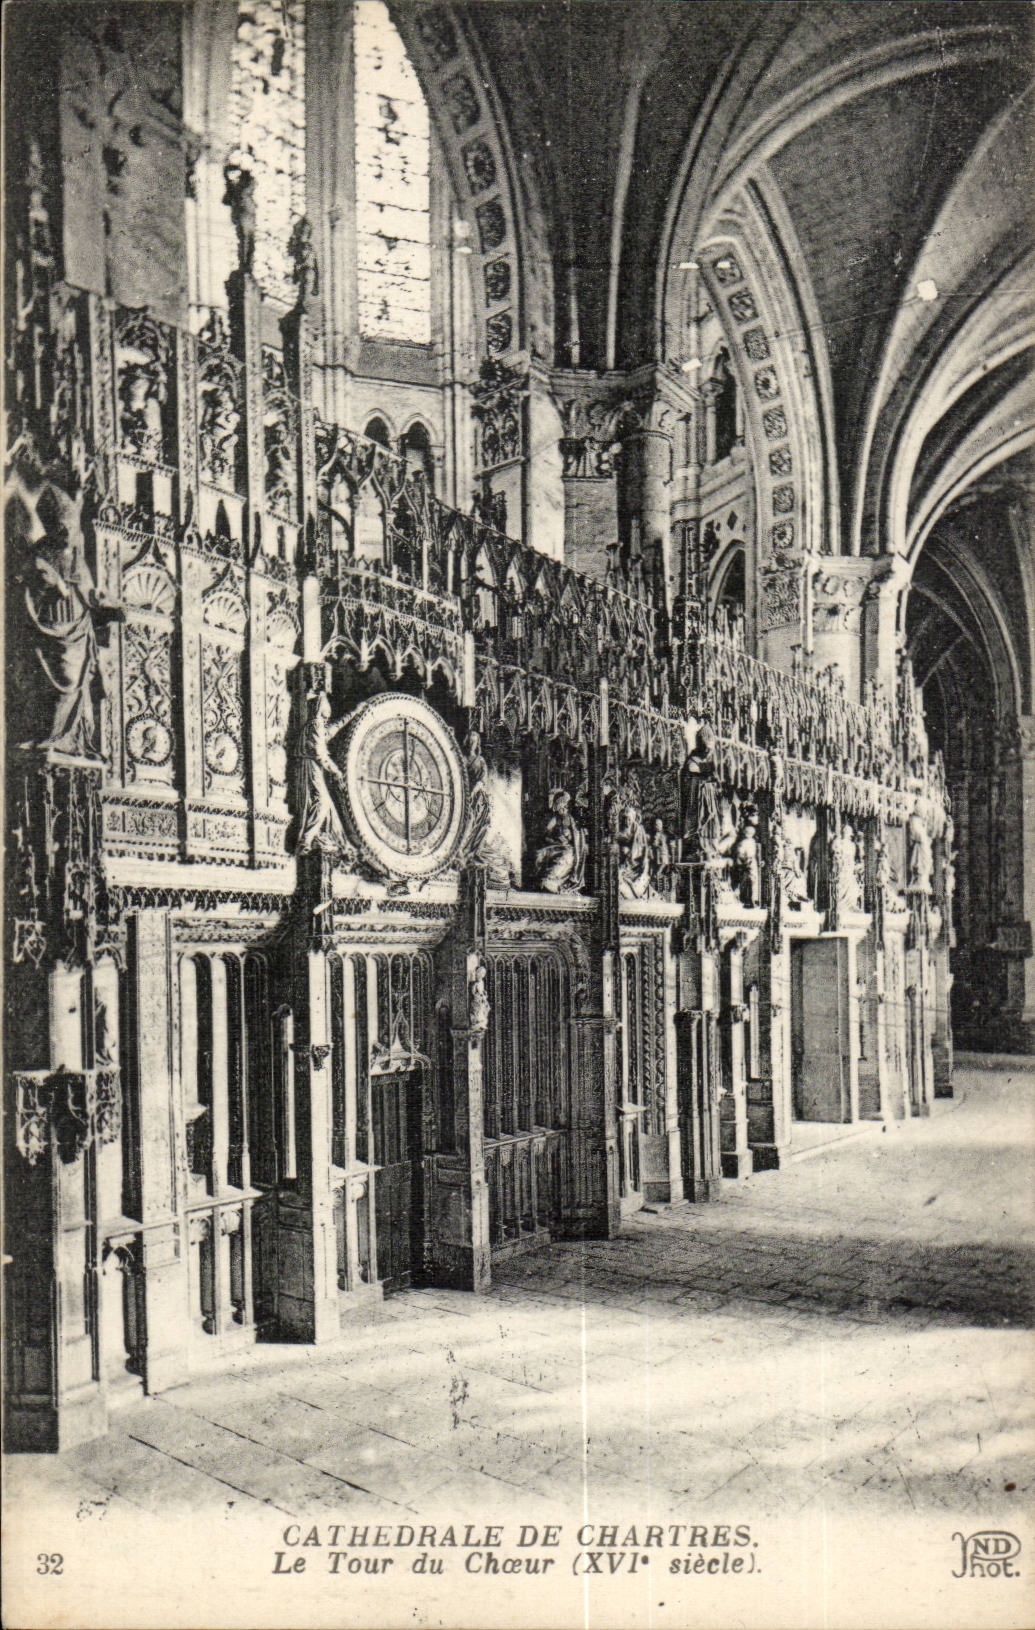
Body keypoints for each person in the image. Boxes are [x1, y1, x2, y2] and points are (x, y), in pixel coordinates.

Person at [21, 483, 122, 757]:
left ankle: (67, 738)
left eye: (70, 526)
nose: (66, 532)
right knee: (53, 684)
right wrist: (52, 584)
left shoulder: (77, 558)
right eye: (61, 526)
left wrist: (108, 607)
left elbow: (89, 594)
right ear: (52, 525)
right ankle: (48, 737)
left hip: (77, 628)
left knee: (74, 684)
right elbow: (30, 583)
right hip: (51, 626)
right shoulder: (40, 554)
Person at [294, 693, 350, 855]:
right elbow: (319, 753)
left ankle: (334, 842)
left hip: (310, 766)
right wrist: (335, 770)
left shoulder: (314, 725)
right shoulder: (316, 725)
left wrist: (352, 715)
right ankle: (306, 840)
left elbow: (331, 731)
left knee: (327, 806)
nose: (326, 720)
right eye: (326, 716)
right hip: (311, 766)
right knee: (323, 802)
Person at [534, 788, 586, 893]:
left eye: (564, 807)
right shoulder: (555, 819)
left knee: (564, 859)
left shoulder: (572, 821)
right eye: (560, 808)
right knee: (539, 854)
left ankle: (553, 881)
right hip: (555, 846)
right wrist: (554, 840)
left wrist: (568, 838)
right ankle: (541, 880)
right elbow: (545, 834)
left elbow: (577, 839)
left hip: (569, 849)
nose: (562, 810)